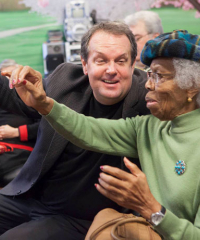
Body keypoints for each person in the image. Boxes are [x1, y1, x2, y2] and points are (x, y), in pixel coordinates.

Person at [12, 29, 200, 240]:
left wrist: (152, 209)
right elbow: (88, 129)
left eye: (159, 76)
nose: (148, 84)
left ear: (192, 85)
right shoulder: (149, 127)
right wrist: (44, 104)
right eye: (149, 74)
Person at [0, 21, 149, 239]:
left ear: (132, 64)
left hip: (79, 218)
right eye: (101, 60)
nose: (111, 70)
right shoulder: (66, 78)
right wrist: (17, 81)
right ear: (85, 64)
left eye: (121, 61)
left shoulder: (148, 96)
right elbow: (25, 101)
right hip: (30, 197)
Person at [0, 59, 41, 188]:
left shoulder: (32, 101)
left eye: (14, 76)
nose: (10, 82)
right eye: (5, 78)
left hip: (20, 159)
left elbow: (46, 126)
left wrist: (16, 132)